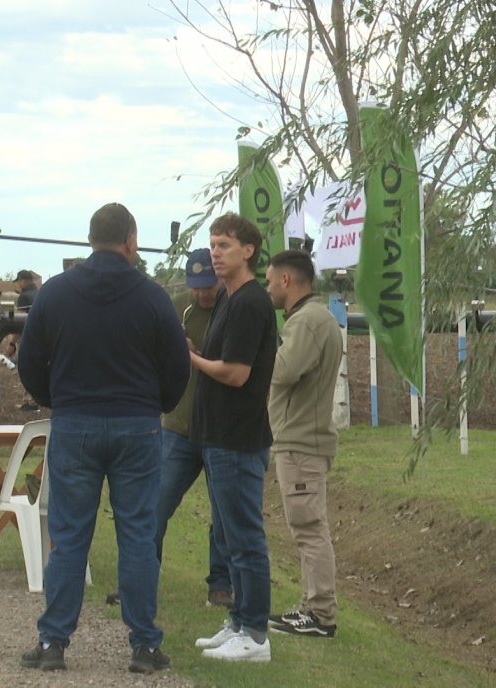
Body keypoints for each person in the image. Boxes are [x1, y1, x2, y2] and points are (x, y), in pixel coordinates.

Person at [17, 202, 191, 674]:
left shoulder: (55, 293)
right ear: (131, 241)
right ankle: (144, 646)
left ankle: (53, 642)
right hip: (137, 425)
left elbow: (29, 361)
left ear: (90, 240)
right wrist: (156, 404)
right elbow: (177, 366)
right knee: (137, 535)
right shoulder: (152, 296)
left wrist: (58, 398)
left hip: (75, 423)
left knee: (69, 536)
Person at [190, 213, 277, 662]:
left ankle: (256, 634)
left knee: (244, 540)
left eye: (224, 245)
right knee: (227, 536)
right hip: (218, 438)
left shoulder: (249, 303)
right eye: (213, 245)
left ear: (248, 251)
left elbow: (237, 373)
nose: (215, 253)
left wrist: (192, 358)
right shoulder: (227, 297)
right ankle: (239, 621)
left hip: (238, 439)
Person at [264, 249, 342, 639]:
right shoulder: (316, 318)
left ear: (286, 280)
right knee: (307, 528)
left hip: (300, 443)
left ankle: (320, 614)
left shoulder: (307, 321)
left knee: (309, 529)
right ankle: (311, 607)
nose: (267, 289)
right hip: (302, 440)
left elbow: (283, 371)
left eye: (269, 281)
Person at [154, 249, 233, 606]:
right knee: (156, 504)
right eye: (196, 286)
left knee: (223, 514)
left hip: (220, 431)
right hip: (178, 427)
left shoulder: (234, 307)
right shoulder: (176, 308)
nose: (202, 293)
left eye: (209, 286)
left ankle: (221, 585)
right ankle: (141, 576)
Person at [6, 269, 39, 411]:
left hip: (26, 338)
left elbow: (19, 323)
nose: (19, 284)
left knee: (26, 369)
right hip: (41, 337)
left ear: (23, 280)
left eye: (19, 281)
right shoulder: (39, 293)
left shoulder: (23, 297)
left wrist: (12, 343)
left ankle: (30, 401)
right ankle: (37, 399)